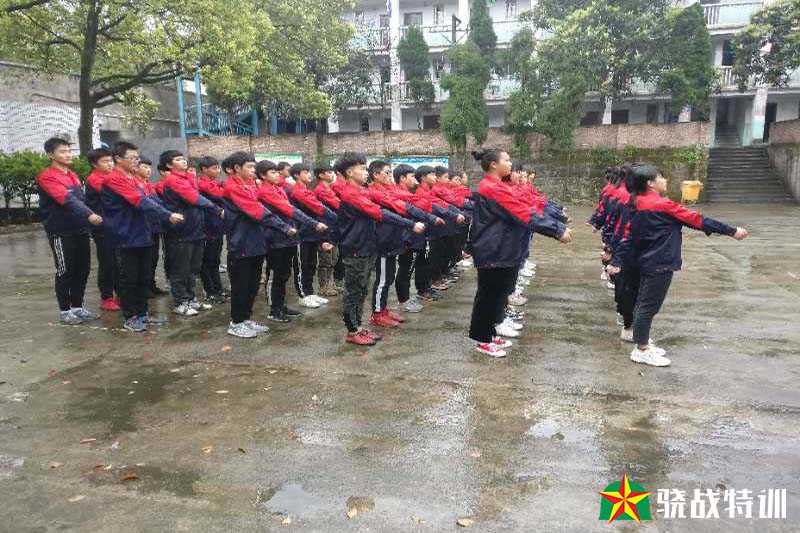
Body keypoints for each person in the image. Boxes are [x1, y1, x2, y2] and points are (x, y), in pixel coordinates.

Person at [607, 165, 748, 367]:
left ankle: (642, 343)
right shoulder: (662, 204)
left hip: (644, 261)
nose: (665, 180)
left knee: (643, 304)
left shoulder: (636, 202)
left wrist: (617, 260)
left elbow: (627, 235)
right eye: (661, 177)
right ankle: (642, 350)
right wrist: (731, 231)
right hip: (660, 262)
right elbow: (697, 220)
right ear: (650, 183)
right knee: (648, 306)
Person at [468, 148, 572, 357]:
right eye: (506, 160)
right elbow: (523, 212)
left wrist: (557, 224)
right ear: (494, 164)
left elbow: (528, 206)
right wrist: (557, 230)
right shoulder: (492, 188)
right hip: (494, 250)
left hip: (504, 249)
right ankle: (482, 339)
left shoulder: (498, 186)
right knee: (488, 296)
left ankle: (491, 333)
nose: (510, 164)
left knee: (499, 294)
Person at [336, 152, 424, 346]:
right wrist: (410, 224)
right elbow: (380, 213)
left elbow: (387, 203)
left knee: (362, 289)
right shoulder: (351, 193)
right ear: (349, 172)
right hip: (356, 249)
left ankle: (358, 327)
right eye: (361, 169)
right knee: (353, 291)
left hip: (367, 246)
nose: (365, 172)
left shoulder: (361, 190)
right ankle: (352, 330)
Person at [102, 141, 184, 332]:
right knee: (129, 278)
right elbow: (139, 200)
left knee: (144, 276)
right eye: (132, 158)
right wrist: (168, 215)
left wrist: (167, 212)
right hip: (126, 236)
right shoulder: (114, 179)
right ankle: (130, 316)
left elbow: (152, 200)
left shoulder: (134, 178)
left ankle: (142, 313)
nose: (136, 161)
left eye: (137, 158)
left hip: (143, 233)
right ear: (118, 159)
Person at [219, 152, 294, 338]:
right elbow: (257, 210)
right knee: (241, 285)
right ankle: (236, 323)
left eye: (254, 166)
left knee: (252, 284)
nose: (253, 170)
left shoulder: (251, 185)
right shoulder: (232, 187)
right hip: (241, 243)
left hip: (255, 242)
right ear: (236, 168)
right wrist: (283, 227)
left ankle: (246, 319)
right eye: (250, 167)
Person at [36, 137, 103, 324]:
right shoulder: (47, 177)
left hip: (80, 229)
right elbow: (67, 199)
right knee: (65, 270)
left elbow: (81, 200)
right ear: (51, 155)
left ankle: (77, 307)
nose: (68, 155)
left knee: (83, 269)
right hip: (61, 231)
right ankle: (65, 311)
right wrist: (90, 214)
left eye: (69, 151)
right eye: (62, 152)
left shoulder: (72, 175)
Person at [366, 160, 441, 327]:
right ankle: (377, 314)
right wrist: (413, 224)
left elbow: (406, 204)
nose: (389, 176)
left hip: (391, 240)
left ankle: (383, 310)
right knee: (382, 280)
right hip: (383, 242)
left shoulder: (388, 190)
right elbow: (395, 212)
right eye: (386, 172)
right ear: (375, 175)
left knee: (388, 278)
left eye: (389, 172)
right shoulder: (374, 193)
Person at [256, 160, 327, 323]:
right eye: (273, 172)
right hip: (274, 238)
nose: (277, 175)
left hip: (287, 237)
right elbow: (290, 210)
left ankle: (281, 306)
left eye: (277, 172)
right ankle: (274, 310)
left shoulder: (278, 189)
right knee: (275, 275)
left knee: (284, 274)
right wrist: (314, 223)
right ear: (262, 175)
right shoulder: (265, 191)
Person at [159, 150, 224, 316]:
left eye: (183, 158)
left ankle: (191, 298)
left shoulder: (188, 178)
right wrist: (217, 210)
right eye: (178, 159)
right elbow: (194, 198)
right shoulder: (173, 180)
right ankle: (181, 302)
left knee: (193, 268)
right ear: (169, 165)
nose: (183, 161)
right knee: (180, 268)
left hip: (195, 230)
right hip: (182, 231)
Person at [288, 163, 338, 308]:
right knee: (301, 266)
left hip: (312, 233)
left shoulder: (307, 190)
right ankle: (303, 295)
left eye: (309, 172)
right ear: (296, 175)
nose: (309, 175)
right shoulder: (297, 192)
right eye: (305, 172)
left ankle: (310, 293)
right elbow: (318, 207)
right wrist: (337, 218)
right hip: (301, 234)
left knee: (311, 264)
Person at [84, 147, 119, 311]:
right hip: (103, 228)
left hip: (117, 226)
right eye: (105, 161)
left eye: (111, 160)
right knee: (107, 263)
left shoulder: (112, 176)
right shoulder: (95, 179)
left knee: (119, 262)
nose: (110, 164)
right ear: (94, 164)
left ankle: (120, 294)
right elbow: (115, 193)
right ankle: (106, 297)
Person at [135, 158, 169, 297]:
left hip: (154, 226)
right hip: (143, 227)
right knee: (145, 260)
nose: (148, 170)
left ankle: (151, 285)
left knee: (153, 258)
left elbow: (157, 202)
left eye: (149, 167)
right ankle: (144, 288)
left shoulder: (148, 184)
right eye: (145, 167)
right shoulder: (135, 183)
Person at [196, 156, 227, 303]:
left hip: (218, 226)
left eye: (218, 167)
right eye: (214, 168)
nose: (218, 171)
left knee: (215, 260)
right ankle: (210, 291)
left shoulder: (215, 183)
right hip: (207, 227)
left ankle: (218, 288)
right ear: (204, 169)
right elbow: (220, 195)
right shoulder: (202, 184)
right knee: (207, 261)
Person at [313, 164, 342, 297]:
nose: (332, 175)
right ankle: (323, 287)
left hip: (332, 229)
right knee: (326, 260)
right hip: (325, 230)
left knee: (334, 258)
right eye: (329, 172)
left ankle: (331, 284)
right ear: (321, 175)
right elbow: (337, 204)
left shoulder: (328, 188)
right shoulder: (321, 190)